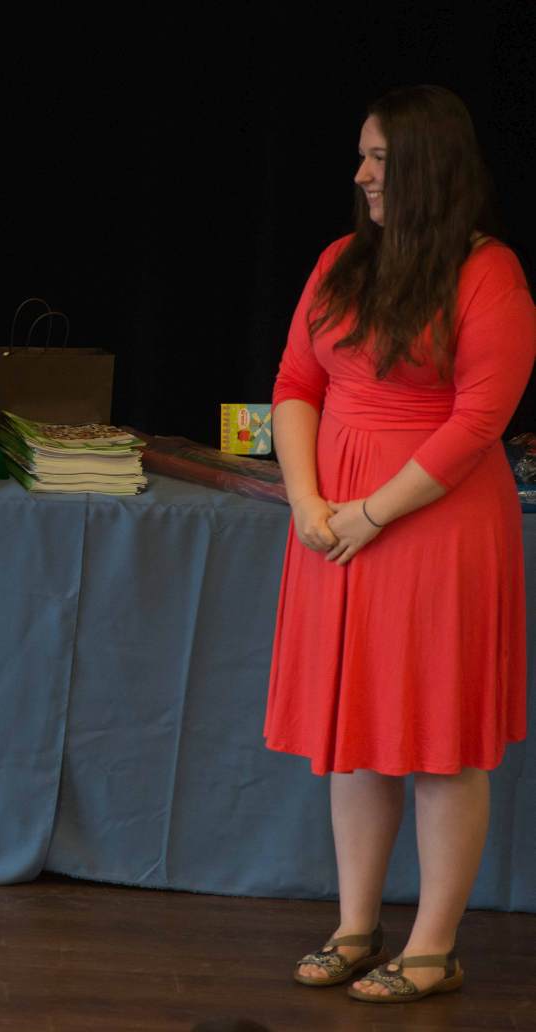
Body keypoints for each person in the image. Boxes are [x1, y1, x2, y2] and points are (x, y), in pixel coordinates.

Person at [268, 85, 536, 1004]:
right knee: (357, 734)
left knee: (440, 739)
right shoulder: (341, 260)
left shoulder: (488, 274)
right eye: (363, 157)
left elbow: (479, 422)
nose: (361, 175)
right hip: (335, 525)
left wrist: (372, 513)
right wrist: (306, 498)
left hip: (432, 528)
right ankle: (355, 926)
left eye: (379, 158)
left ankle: (433, 947)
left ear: (426, 165)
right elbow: (295, 382)